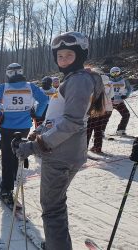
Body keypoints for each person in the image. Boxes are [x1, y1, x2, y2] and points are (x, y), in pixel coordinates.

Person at [13, 31, 104, 250]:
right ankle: (58, 244)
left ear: (80, 56)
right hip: (65, 151)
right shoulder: (74, 80)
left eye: (69, 55)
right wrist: (39, 132)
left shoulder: (79, 80)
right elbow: (58, 118)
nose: (63, 60)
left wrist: (35, 146)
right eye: (60, 56)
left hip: (60, 154)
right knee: (56, 204)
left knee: (52, 209)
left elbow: (72, 122)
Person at [0, 63, 48, 204]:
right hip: (25, 125)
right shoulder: (30, 86)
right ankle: (13, 178)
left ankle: (6, 187)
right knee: (19, 152)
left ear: (8, 74)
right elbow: (45, 100)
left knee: (7, 155)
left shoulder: (4, 87)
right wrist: (37, 113)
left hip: (7, 126)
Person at [87, 69, 114, 153]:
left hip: (93, 108)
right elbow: (112, 95)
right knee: (98, 129)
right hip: (104, 108)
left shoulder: (92, 82)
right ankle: (97, 147)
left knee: (88, 129)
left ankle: (84, 148)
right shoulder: (109, 83)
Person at [109, 66, 132, 136]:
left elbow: (129, 88)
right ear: (110, 74)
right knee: (105, 117)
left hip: (119, 101)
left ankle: (121, 130)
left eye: (117, 73)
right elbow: (104, 90)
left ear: (119, 72)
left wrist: (126, 95)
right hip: (110, 102)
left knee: (126, 114)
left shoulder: (123, 80)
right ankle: (100, 131)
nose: (115, 75)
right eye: (113, 73)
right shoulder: (108, 81)